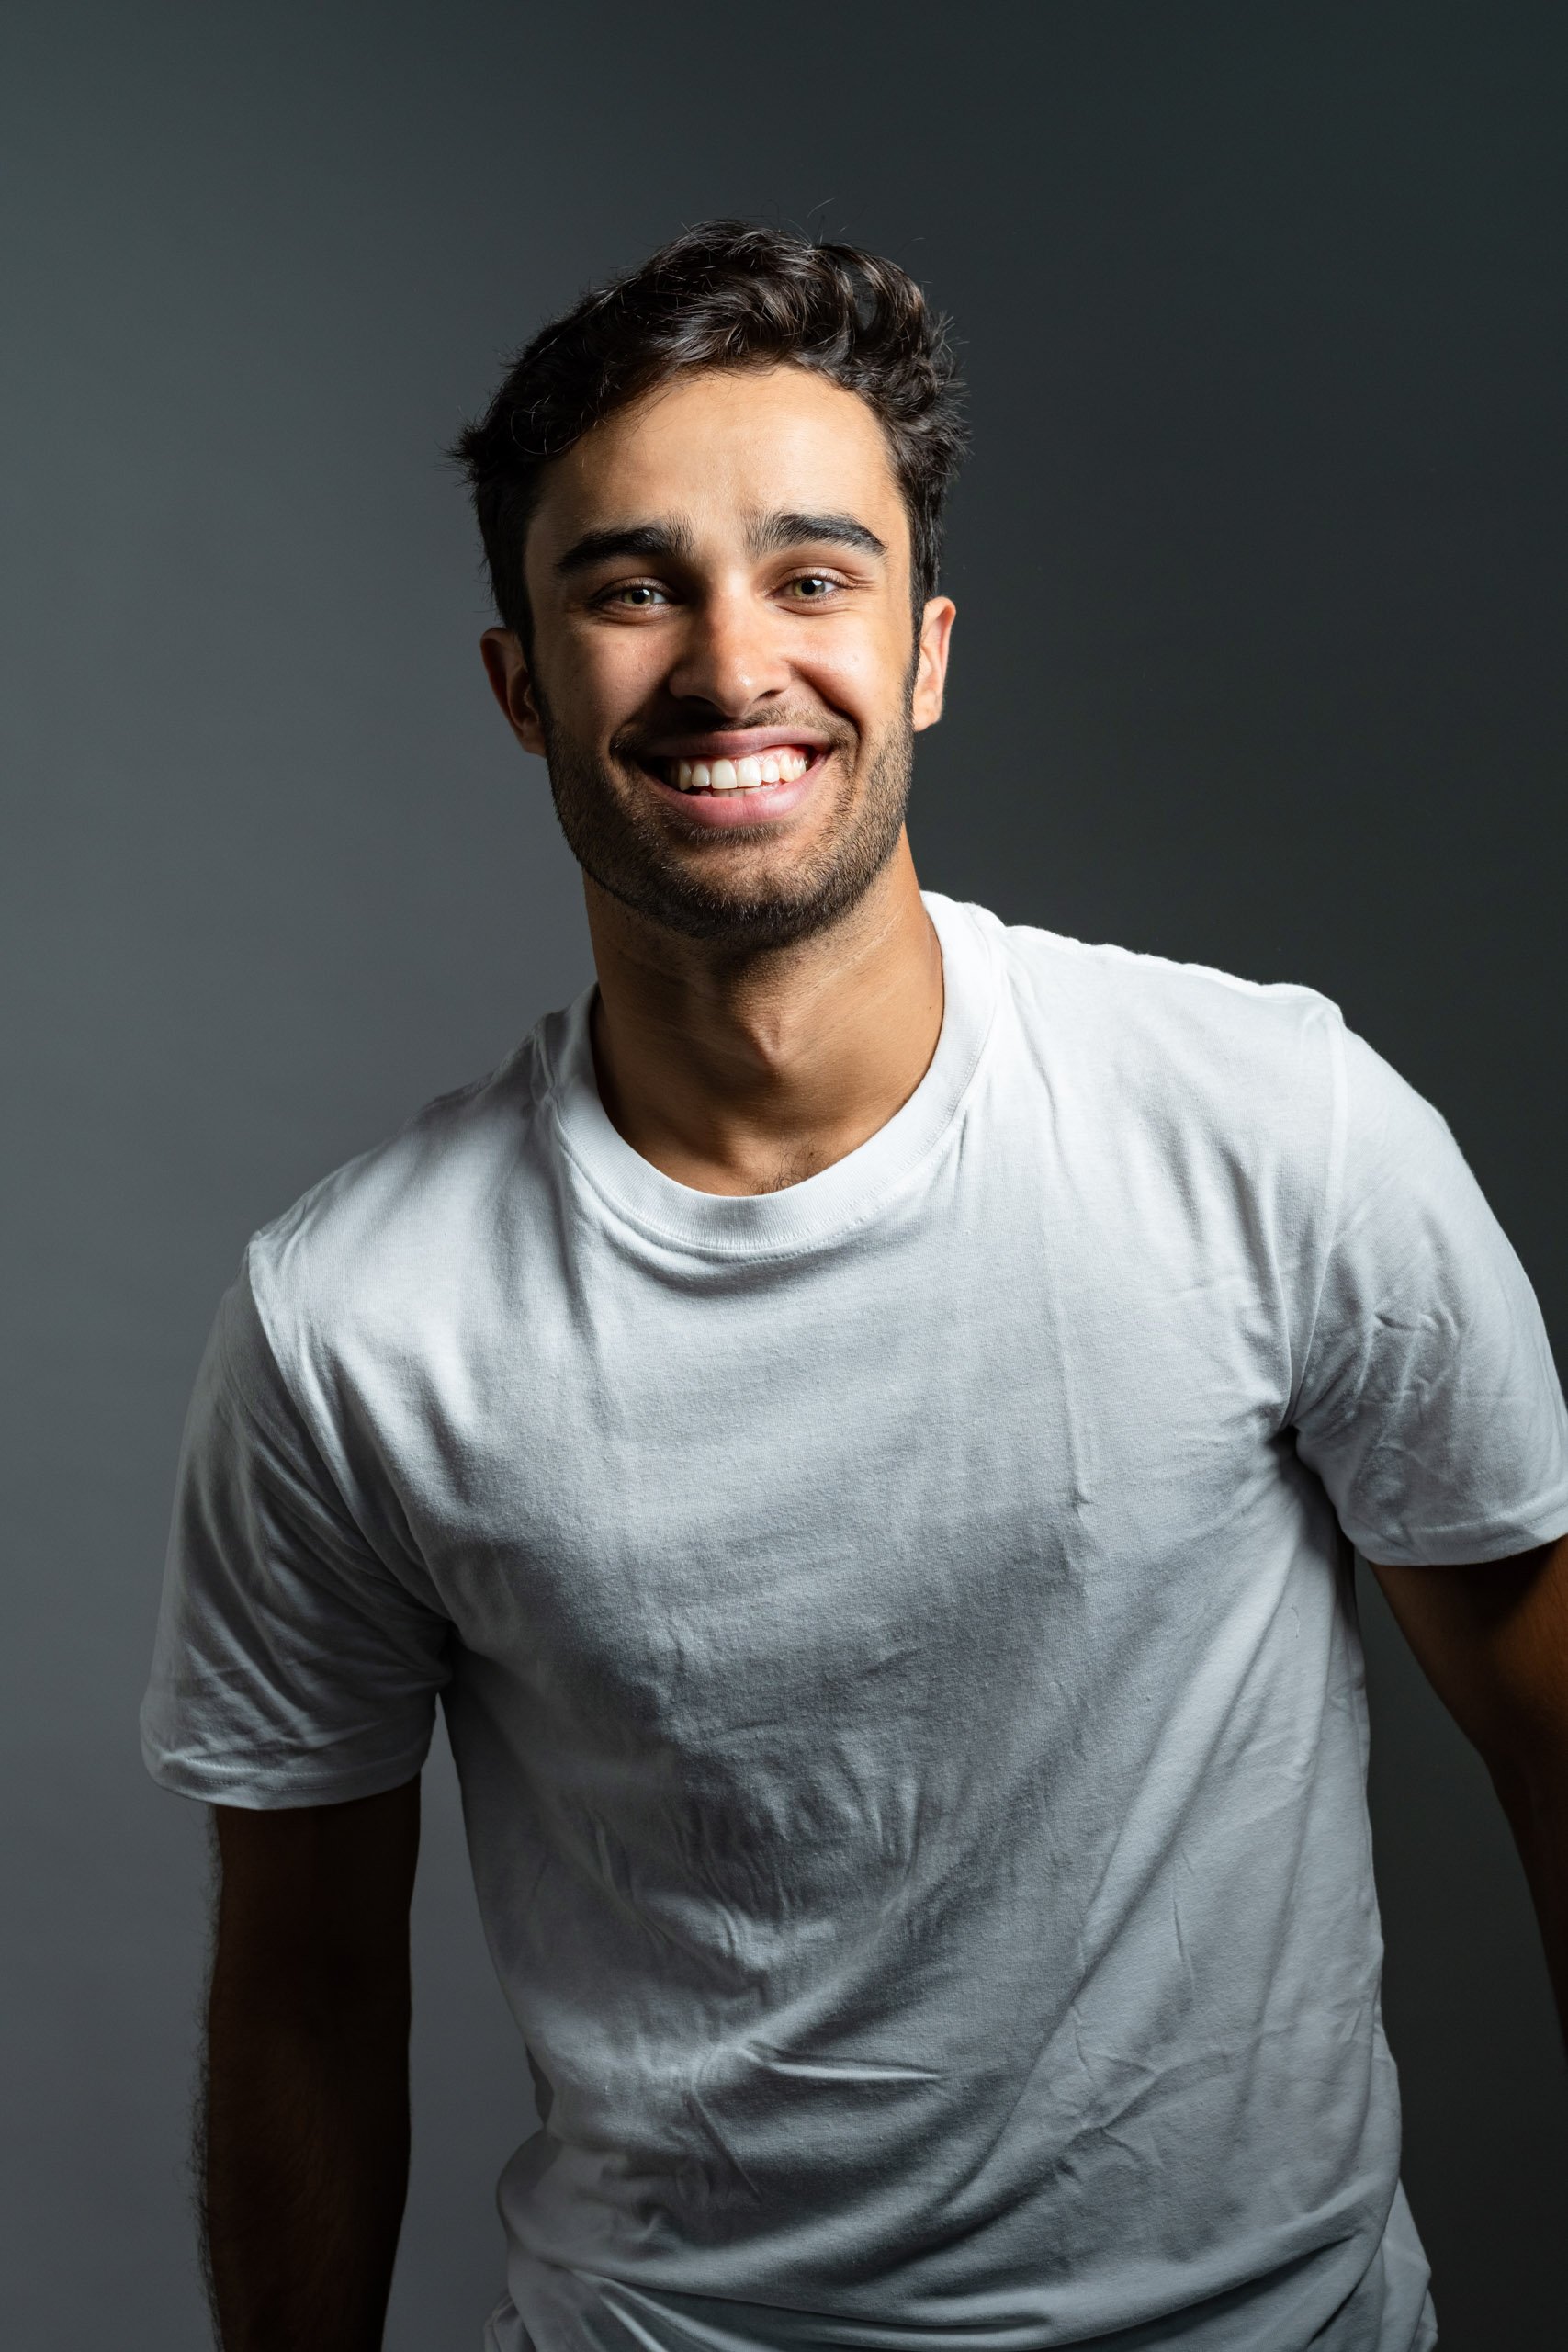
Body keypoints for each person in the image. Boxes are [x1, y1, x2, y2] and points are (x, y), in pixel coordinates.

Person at [141, 221, 1568, 2352]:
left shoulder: (1278, 1129)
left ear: (920, 652)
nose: (733, 665)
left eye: (811, 577)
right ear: (520, 684)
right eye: (632, 586)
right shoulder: (351, 1322)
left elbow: (1552, 1739)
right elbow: (305, 1988)